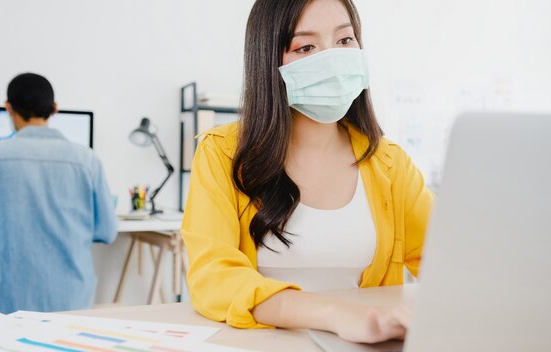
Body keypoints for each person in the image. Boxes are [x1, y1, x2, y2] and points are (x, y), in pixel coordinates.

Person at [181, 0, 434, 344]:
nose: (331, 58)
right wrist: (331, 313)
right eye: (306, 46)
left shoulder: (389, 162)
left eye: (345, 41)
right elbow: (212, 277)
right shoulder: (223, 153)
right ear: (269, 62)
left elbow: (446, 264)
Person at [0, 73, 117, 317]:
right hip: (72, 304)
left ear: (8, 108)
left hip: (2, 308)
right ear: (55, 109)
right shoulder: (88, 161)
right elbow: (107, 232)